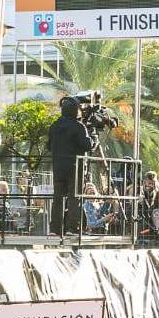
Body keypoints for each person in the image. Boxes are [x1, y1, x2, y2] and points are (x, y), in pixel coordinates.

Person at [47, 96, 97, 235]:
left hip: (58, 167)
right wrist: (92, 136)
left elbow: (49, 146)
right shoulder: (78, 126)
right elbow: (87, 145)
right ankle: (72, 228)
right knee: (75, 197)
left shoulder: (54, 126)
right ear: (75, 111)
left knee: (58, 198)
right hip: (75, 167)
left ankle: (55, 229)